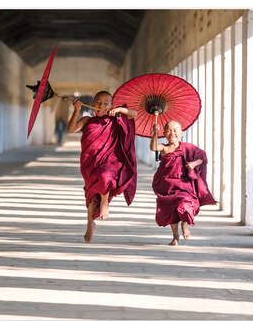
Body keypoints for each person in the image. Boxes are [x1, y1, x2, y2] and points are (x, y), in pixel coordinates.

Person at [67, 91, 137, 242]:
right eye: (98, 102)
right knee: (92, 196)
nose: (102, 106)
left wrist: (119, 110)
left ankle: (105, 203)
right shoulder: (87, 120)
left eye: (106, 103)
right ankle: (90, 225)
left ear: (111, 105)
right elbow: (71, 129)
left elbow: (133, 114)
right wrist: (77, 110)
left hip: (109, 161)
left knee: (105, 176)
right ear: (92, 105)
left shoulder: (115, 119)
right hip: (89, 162)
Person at [151, 120, 216, 245]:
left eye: (175, 130)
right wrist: (154, 133)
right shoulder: (164, 148)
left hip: (183, 184)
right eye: (169, 130)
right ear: (164, 133)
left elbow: (202, 157)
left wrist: (193, 164)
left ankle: (185, 225)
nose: (172, 133)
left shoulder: (187, 148)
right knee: (170, 211)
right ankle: (175, 236)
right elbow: (153, 147)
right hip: (167, 185)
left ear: (181, 133)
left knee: (184, 203)